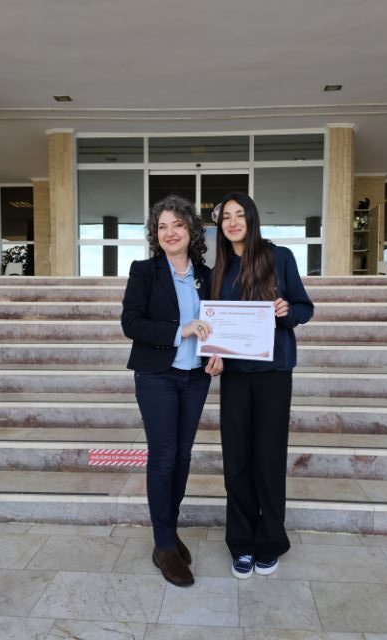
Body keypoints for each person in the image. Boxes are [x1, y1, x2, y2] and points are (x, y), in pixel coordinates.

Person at [211, 192, 314, 579]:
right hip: (235, 375)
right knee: (237, 460)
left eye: (240, 215)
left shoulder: (279, 257)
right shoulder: (220, 268)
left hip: (273, 372)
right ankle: (241, 543)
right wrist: (212, 354)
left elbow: (304, 308)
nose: (233, 222)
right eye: (226, 217)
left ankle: (270, 540)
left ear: (252, 219)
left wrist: (286, 311)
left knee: (268, 459)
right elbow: (213, 322)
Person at [121, 194, 222, 588]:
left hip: (195, 377)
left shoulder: (207, 275)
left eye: (177, 225)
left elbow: (219, 324)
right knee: (163, 458)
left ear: (191, 230)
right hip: (157, 376)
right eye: (162, 227)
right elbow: (131, 323)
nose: (169, 232)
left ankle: (169, 529)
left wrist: (219, 354)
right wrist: (181, 330)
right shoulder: (144, 272)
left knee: (182, 457)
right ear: (155, 234)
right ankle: (163, 544)